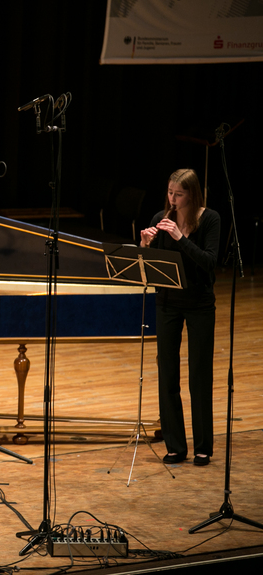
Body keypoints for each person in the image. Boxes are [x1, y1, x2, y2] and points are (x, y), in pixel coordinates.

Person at [139, 168, 220, 466]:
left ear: (192, 194)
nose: (172, 199)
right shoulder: (160, 220)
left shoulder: (210, 219)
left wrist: (180, 238)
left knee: (200, 374)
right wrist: (145, 246)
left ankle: (202, 446)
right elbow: (148, 267)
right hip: (168, 302)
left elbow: (210, 262)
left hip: (199, 303)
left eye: (179, 194)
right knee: (167, 373)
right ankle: (175, 445)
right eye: (170, 192)